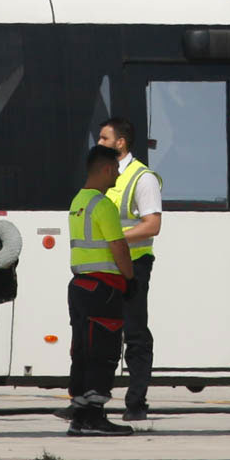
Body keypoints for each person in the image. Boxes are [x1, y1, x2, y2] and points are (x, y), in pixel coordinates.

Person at [65, 145, 137, 436]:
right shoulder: (103, 205)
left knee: (83, 349)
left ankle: (80, 414)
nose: (119, 175)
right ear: (106, 169)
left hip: (80, 286)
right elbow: (118, 246)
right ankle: (95, 417)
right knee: (104, 350)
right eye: (117, 169)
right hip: (103, 288)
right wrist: (130, 278)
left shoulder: (78, 201)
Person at [100, 117, 161, 422]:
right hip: (105, 265)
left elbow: (153, 225)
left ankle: (136, 401)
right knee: (99, 334)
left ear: (120, 143)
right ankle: (91, 401)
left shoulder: (142, 178)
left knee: (135, 334)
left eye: (104, 139)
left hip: (134, 266)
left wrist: (113, 235)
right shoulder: (102, 175)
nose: (98, 144)